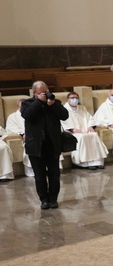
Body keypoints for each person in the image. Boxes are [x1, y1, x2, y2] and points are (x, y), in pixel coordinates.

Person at [21, 81, 69, 209]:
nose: (45, 94)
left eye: (46, 91)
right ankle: (43, 199)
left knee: (54, 175)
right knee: (40, 176)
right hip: (36, 146)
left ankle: (53, 199)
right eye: (41, 93)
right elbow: (27, 115)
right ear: (34, 93)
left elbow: (65, 116)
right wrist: (38, 102)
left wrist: (52, 105)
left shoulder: (54, 103)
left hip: (52, 145)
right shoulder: (28, 103)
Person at [61, 92, 108, 170]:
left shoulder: (82, 108)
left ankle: (97, 161)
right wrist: (72, 129)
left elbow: (90, 118)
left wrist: (90, 126)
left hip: (84, 130)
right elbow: (62, 122)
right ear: (68, 100)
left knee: (94, 135)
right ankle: (84, 163)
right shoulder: (64, 109)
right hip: (73, 132)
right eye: (72, 98)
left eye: (76, 98)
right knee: (82, 137)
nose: (74, 100)